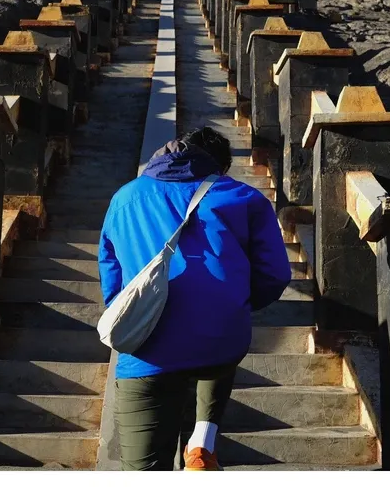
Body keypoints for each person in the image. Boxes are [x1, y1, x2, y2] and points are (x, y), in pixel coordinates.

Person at [98, 127, 291, 472]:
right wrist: (237, 302)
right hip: (220, 340)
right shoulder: (243, 197)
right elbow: (274, 274)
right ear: (218, 166)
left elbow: (111, 276)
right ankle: (202, 441)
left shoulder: (124, 198)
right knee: (220, 345)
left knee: (141, 468)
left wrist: (137, 314)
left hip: (146, 349)